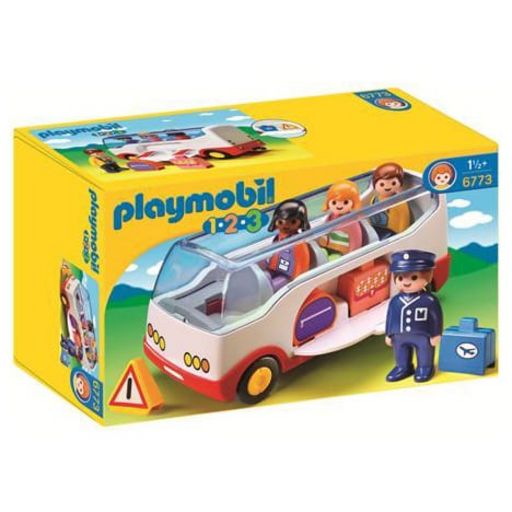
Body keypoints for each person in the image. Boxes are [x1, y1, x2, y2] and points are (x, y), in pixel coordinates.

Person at [385, 250, 443, 383]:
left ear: (427, 277)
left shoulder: (429, 300)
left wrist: (436, 334)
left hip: (423, 334)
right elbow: (390, 318)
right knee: (400, 352)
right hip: (399, 335)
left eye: (414, 277)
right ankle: (402, 367)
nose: (406, 282)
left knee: (424, 351)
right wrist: (388, 334)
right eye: (400, 278)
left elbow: (436, 318)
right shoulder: (395, 301)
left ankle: (425, 367)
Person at [265, 199, 311, 291]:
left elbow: (301, 263)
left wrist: (296, 281)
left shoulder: (298, 243)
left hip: (288, 276)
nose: (285, 225)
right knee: (264, 278)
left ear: (302, 222)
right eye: (281, 222)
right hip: (275, 269)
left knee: (272, 286)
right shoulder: (278, 238)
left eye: (293, 222)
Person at [318, 181, 363, 260]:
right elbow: (325, 232)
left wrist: (350, 258)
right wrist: (321, 245)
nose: (339, 205)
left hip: (342, 254)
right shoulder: (331, 216)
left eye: (345, 202)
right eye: (334, 202)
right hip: (328, 247)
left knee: (332, 259)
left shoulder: (351, 222)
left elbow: (355, 241)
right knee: (322, 254)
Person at [369, 162, 411, 238]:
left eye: (393, 183)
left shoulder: (400, 203)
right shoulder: (374, 199)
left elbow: (404, 221)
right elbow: (371, 215)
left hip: (393, 233)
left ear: (400, 184)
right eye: (382, 184)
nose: (387, 187)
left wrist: (401, 236)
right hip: (375, 229)